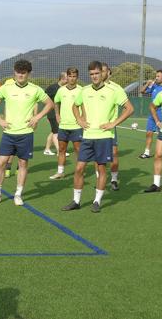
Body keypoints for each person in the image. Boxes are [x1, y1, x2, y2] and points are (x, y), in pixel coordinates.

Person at [62, 61, 134, 213]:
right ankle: (76, 201)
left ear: (103, 73)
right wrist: (79, 120)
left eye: (97, 73)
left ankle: (97, 201)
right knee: (79, 168)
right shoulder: (85, 90)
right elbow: (75, 106)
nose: (94, 77)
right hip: (87, 136)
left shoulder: (114, 91)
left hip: (104, 137)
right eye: (91, 74)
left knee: (101, 169)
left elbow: (129, 109)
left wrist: (114, 123)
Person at [0, 59, 54, 206]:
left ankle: (18, 194)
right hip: (9, 133)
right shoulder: (6, 88)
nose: (20, 75)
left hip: (26, 133)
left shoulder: (35, 89)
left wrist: (37, 117)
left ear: (28, 73)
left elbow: (50, 104)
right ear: (14, 73)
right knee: (1, 162)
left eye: (23, 73)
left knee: (23, 164)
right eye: (18, 72)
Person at [49, 68, 83, 180]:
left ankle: (79, 171)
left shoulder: (81, 90)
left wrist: (83, 119)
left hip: (76, 126)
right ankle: (60, 172)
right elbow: (56, 102)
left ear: (77, 77)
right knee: (62, 149)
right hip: (63, 126)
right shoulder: (61, 90)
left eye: (74, 76)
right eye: (70, 76)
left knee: (78, 150)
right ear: (67, 77)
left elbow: (85, 106)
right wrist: (57, 115)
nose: (72, 78)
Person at [99, 63, 128, 191]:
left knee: (114, 153)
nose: (101, 74)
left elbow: (127, 107)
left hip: (110, 128)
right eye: (100, 71)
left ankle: (114, 179)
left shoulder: (117, 88)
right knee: (98, 156)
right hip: (95, 128)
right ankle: (99, 178)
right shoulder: (91, 88)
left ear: (109, 72)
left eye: (104, 71)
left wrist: (115, 122)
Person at [138, 70, 162, 159]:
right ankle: (147, 152)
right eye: (156, 76)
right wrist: (147, 84)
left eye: (158, 76)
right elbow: (142, 91)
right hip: (152, 114)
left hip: (161, 114)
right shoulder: (154, 86)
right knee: (149, 133)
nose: (156, 78)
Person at [43, 72, 67, 155]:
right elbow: (45, 98)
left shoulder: (65, 88)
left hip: (61, 113)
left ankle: (47, 149)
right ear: (62, 78)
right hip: (52, 113)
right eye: (67, 78)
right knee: (57, 132)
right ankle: (59, 151)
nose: (69, 80)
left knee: (54, 131)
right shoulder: (52, 87)